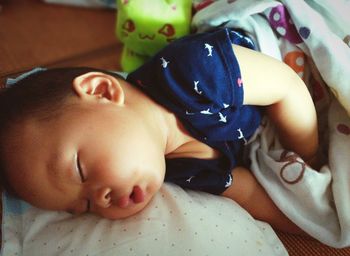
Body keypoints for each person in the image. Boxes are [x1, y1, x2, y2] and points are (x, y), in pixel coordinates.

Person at [0, 28, 318, 234]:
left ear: (102, 91)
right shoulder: (186, 171)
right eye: (85, 206)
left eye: (81, 171)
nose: (101, 198)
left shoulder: (192, 73)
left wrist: (309, 156)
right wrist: (314, 222)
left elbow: (286, 85)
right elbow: (248, 193)